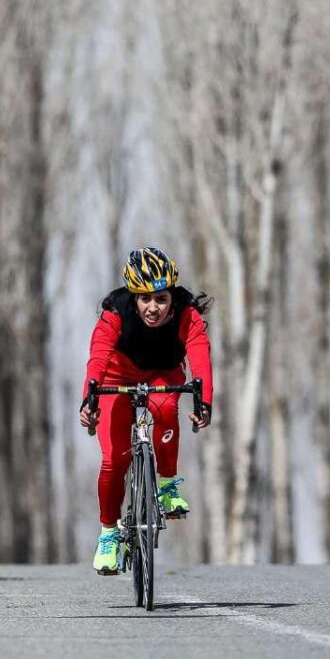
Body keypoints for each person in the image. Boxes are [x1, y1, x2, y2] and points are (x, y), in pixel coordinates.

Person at [79, 246, 214, 575]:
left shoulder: (186, 314)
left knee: (167, 408)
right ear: (133, 297)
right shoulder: (115, 313)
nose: (153, 308)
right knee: (115, 459)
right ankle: (109, 534)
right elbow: (97, 358)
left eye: (161, 299)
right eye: (145, 299)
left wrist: (203, 401)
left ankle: (167, 485)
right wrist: (89, 400)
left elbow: (200, 360)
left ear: (172, 297)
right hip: (117, 375)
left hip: (163, 374)